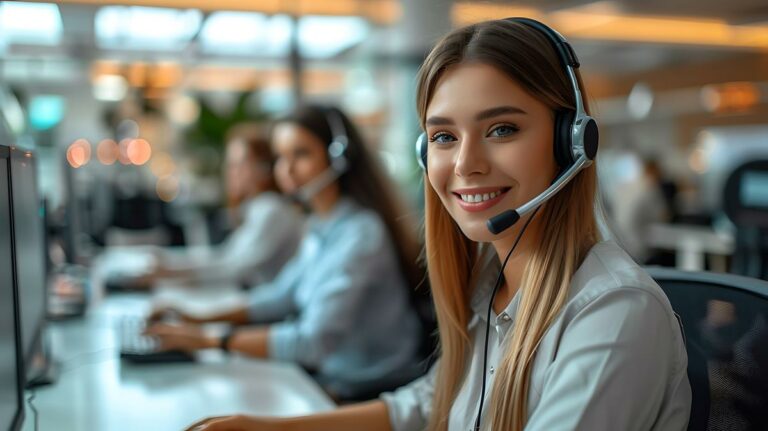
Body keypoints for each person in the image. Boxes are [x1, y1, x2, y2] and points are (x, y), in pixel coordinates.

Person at [182, 17, 692, 431]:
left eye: (501, 128)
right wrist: (270, 428)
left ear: (571, 143)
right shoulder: (492, 281)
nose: (466, 163)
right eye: (444, 137)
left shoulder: (615, 311)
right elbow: (432, 402)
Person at [147, 105, 425, 401]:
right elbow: (281, 295)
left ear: (338, 157)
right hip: (330, 376)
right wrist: (198, 318)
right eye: (280, 157)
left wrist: (208, 340)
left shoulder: (362, 234)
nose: (286, 170)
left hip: (366, 386)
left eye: (301, 154)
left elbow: (312, 342)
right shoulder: (320, 226)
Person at [142, 124, 303, 287]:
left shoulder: (272, 209)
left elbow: (236, 269)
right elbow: (226, 256)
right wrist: (171, 262)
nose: (231, 172)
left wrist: (172, 272)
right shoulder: (257, 208)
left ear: (264, 168)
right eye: (230, 164)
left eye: (239, 164)